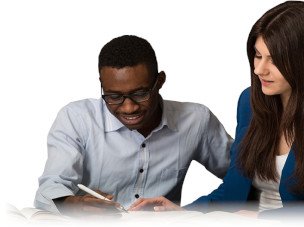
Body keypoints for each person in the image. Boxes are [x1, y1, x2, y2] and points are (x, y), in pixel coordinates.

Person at [128, 1, 304, 220]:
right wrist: (184, 213)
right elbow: (233, 189)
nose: (259, 70)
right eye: (257, 55)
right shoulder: (250, 102)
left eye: (273, 60)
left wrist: (262, 221)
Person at [34, 35, 232, 216]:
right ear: (102, 85)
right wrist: (74, 204)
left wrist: (190, 213)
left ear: (160, 81)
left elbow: (244, 177)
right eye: (114, 96)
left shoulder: (196, 120)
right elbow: (50, 186)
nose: (129, 108)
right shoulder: (76, 119)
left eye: (140, 94)